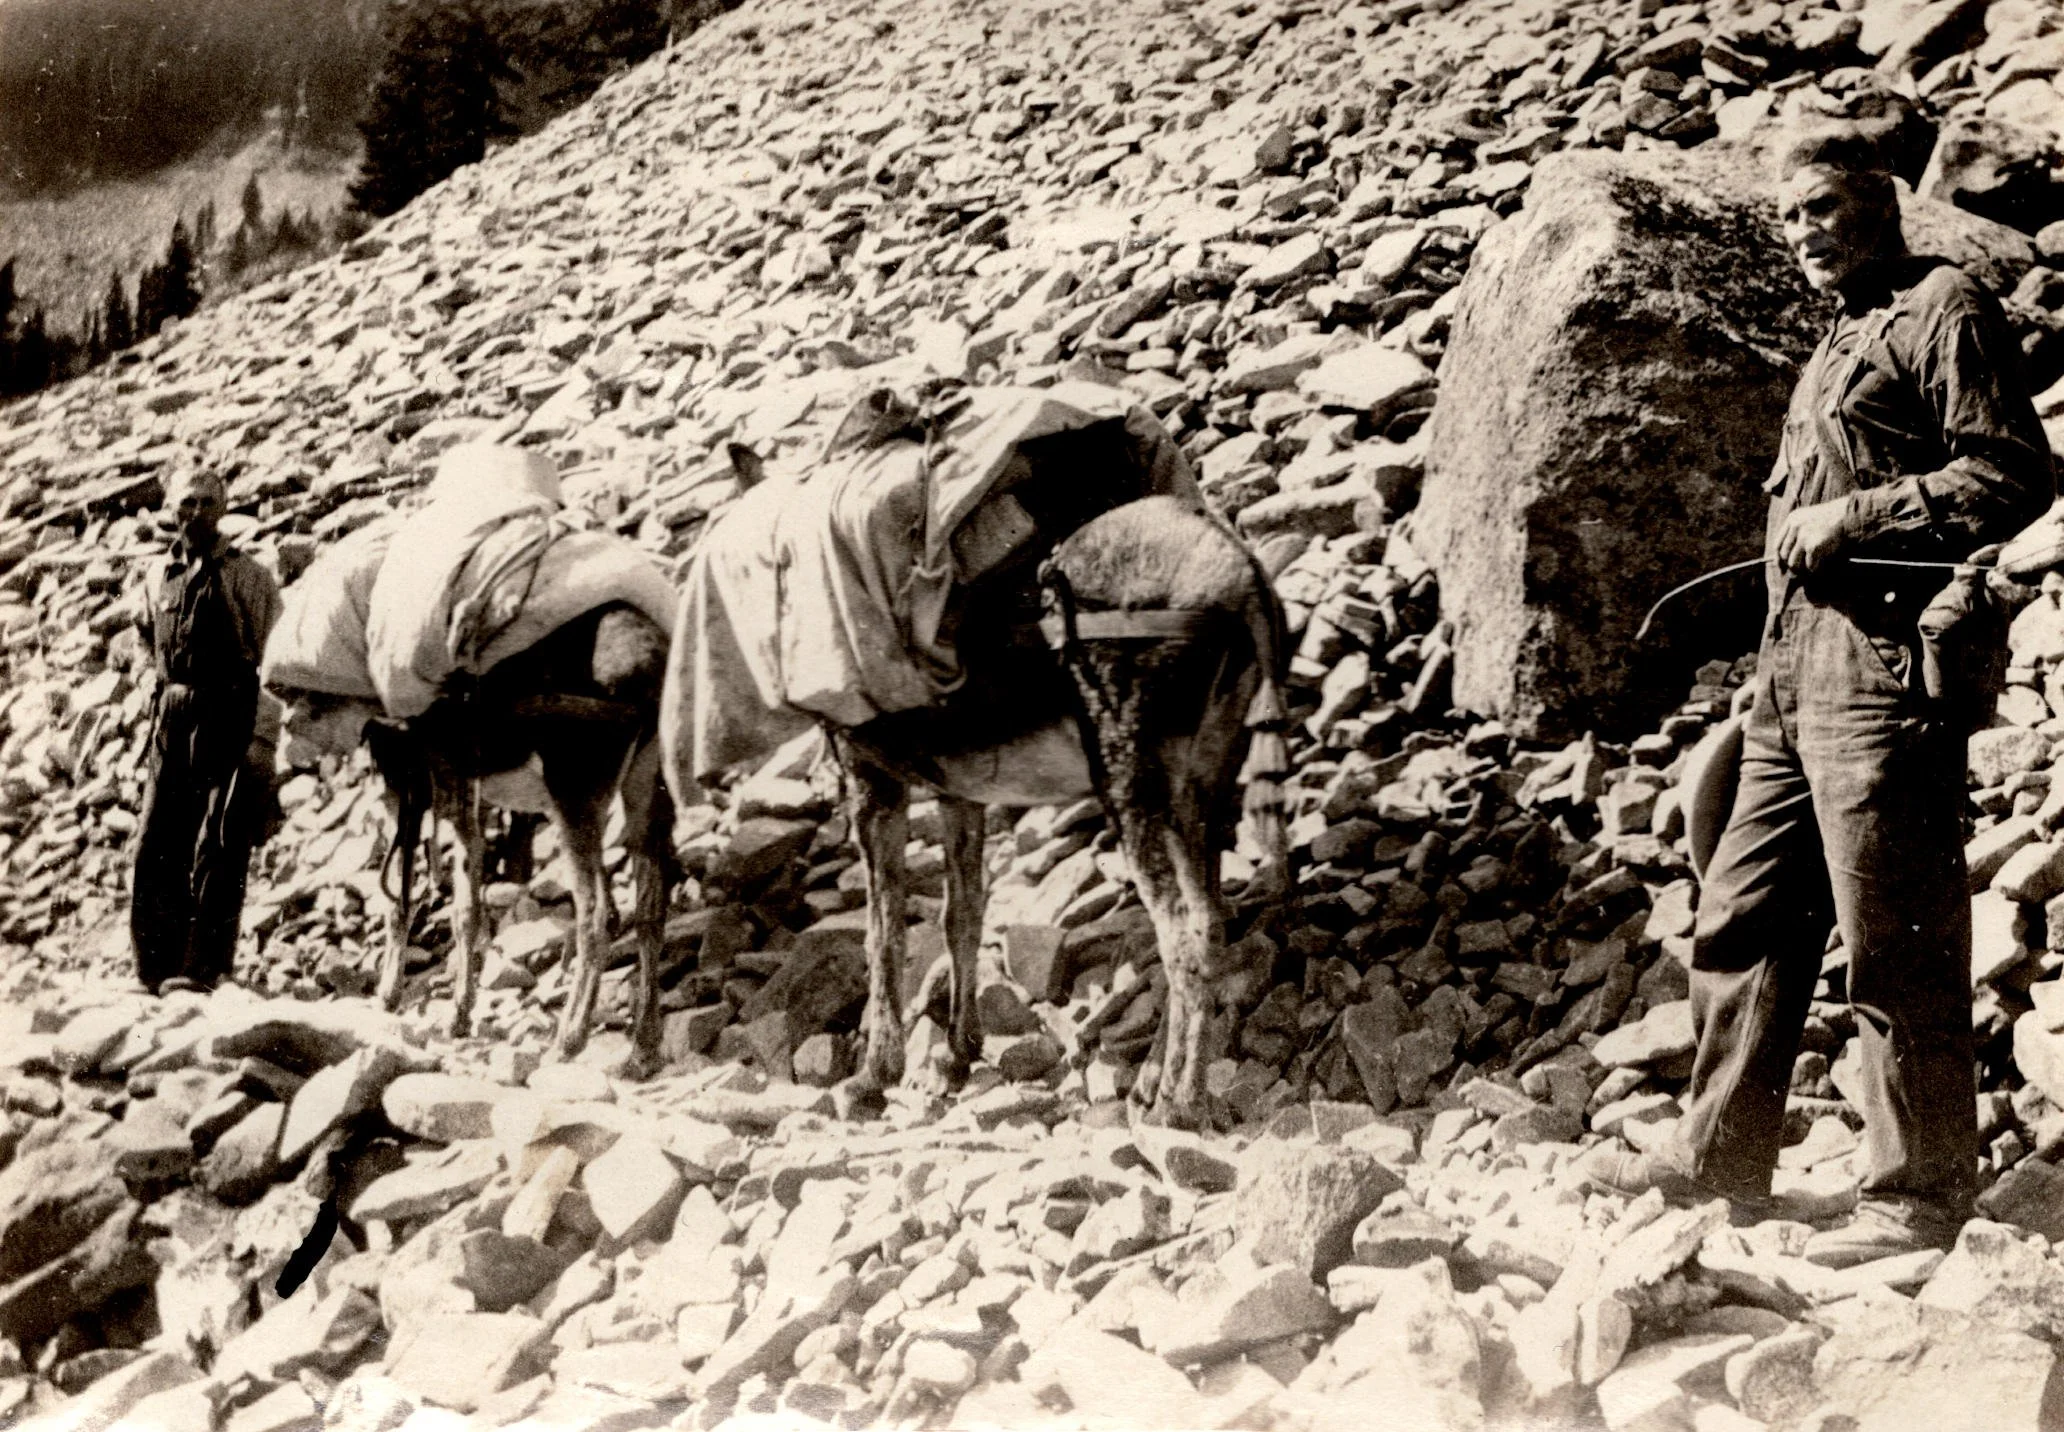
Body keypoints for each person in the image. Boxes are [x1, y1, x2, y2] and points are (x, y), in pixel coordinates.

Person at [1578, 124, 2054, 1265]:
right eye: (1789, 221)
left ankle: (1917, 1191)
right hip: (1791, 671)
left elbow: (2012, 472)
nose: (1803, 237)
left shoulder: (1948, 308)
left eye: (1824, 214)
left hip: (1883, 666)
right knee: (1743, 909)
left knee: (1895, 924)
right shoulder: (1841, 333)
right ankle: (1717, 1163)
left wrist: (1856, 518)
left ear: (1881, 207)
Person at [131, 468, 283, 993]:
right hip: (172, 718)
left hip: (230, 715)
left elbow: (275, 661)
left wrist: (263, 742)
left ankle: (205, 970)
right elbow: (144, 636)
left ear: (222, 509)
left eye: (205, 503)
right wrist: (155, 694)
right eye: (185, 503)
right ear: (171, 510)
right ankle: (153, 969)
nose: (194, 513)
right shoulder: (157, 575)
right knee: (156, 841)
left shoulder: (250, 577)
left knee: (218, 845)